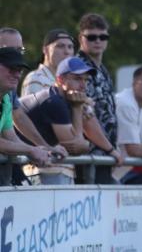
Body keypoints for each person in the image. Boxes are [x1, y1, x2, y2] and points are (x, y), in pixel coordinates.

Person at [18, 57, 122, 185]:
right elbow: (75, 148)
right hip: (15, 160)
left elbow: (89, 125)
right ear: (60, 80)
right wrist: (77, 109)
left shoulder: (70, 98)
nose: (83, 85)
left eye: (86, 80)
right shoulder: (55, 101)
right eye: (77, 79)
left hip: (20, 159)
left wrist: (111, 150)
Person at [75, 14, 118, 184]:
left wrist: (111, 149)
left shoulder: (103, 70)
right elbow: (85, 115)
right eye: (91, 37)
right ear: (81, 38)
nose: (98, 41)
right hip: (87, 157)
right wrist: (110, 149)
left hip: (104, 155)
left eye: (103, 37)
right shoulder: (77, 68)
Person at [0, 47, 55, 174]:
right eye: (11, 69)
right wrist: (31, 150)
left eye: (19, 70)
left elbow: (11, 137)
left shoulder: (6, 99)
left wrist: (39, 149)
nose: (17, 74)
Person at [21, 29, 75, 95]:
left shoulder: (67, 82)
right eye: (60, 46)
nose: (67, 51)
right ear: (45, 50)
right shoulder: (36, 79)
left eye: (70, 47)